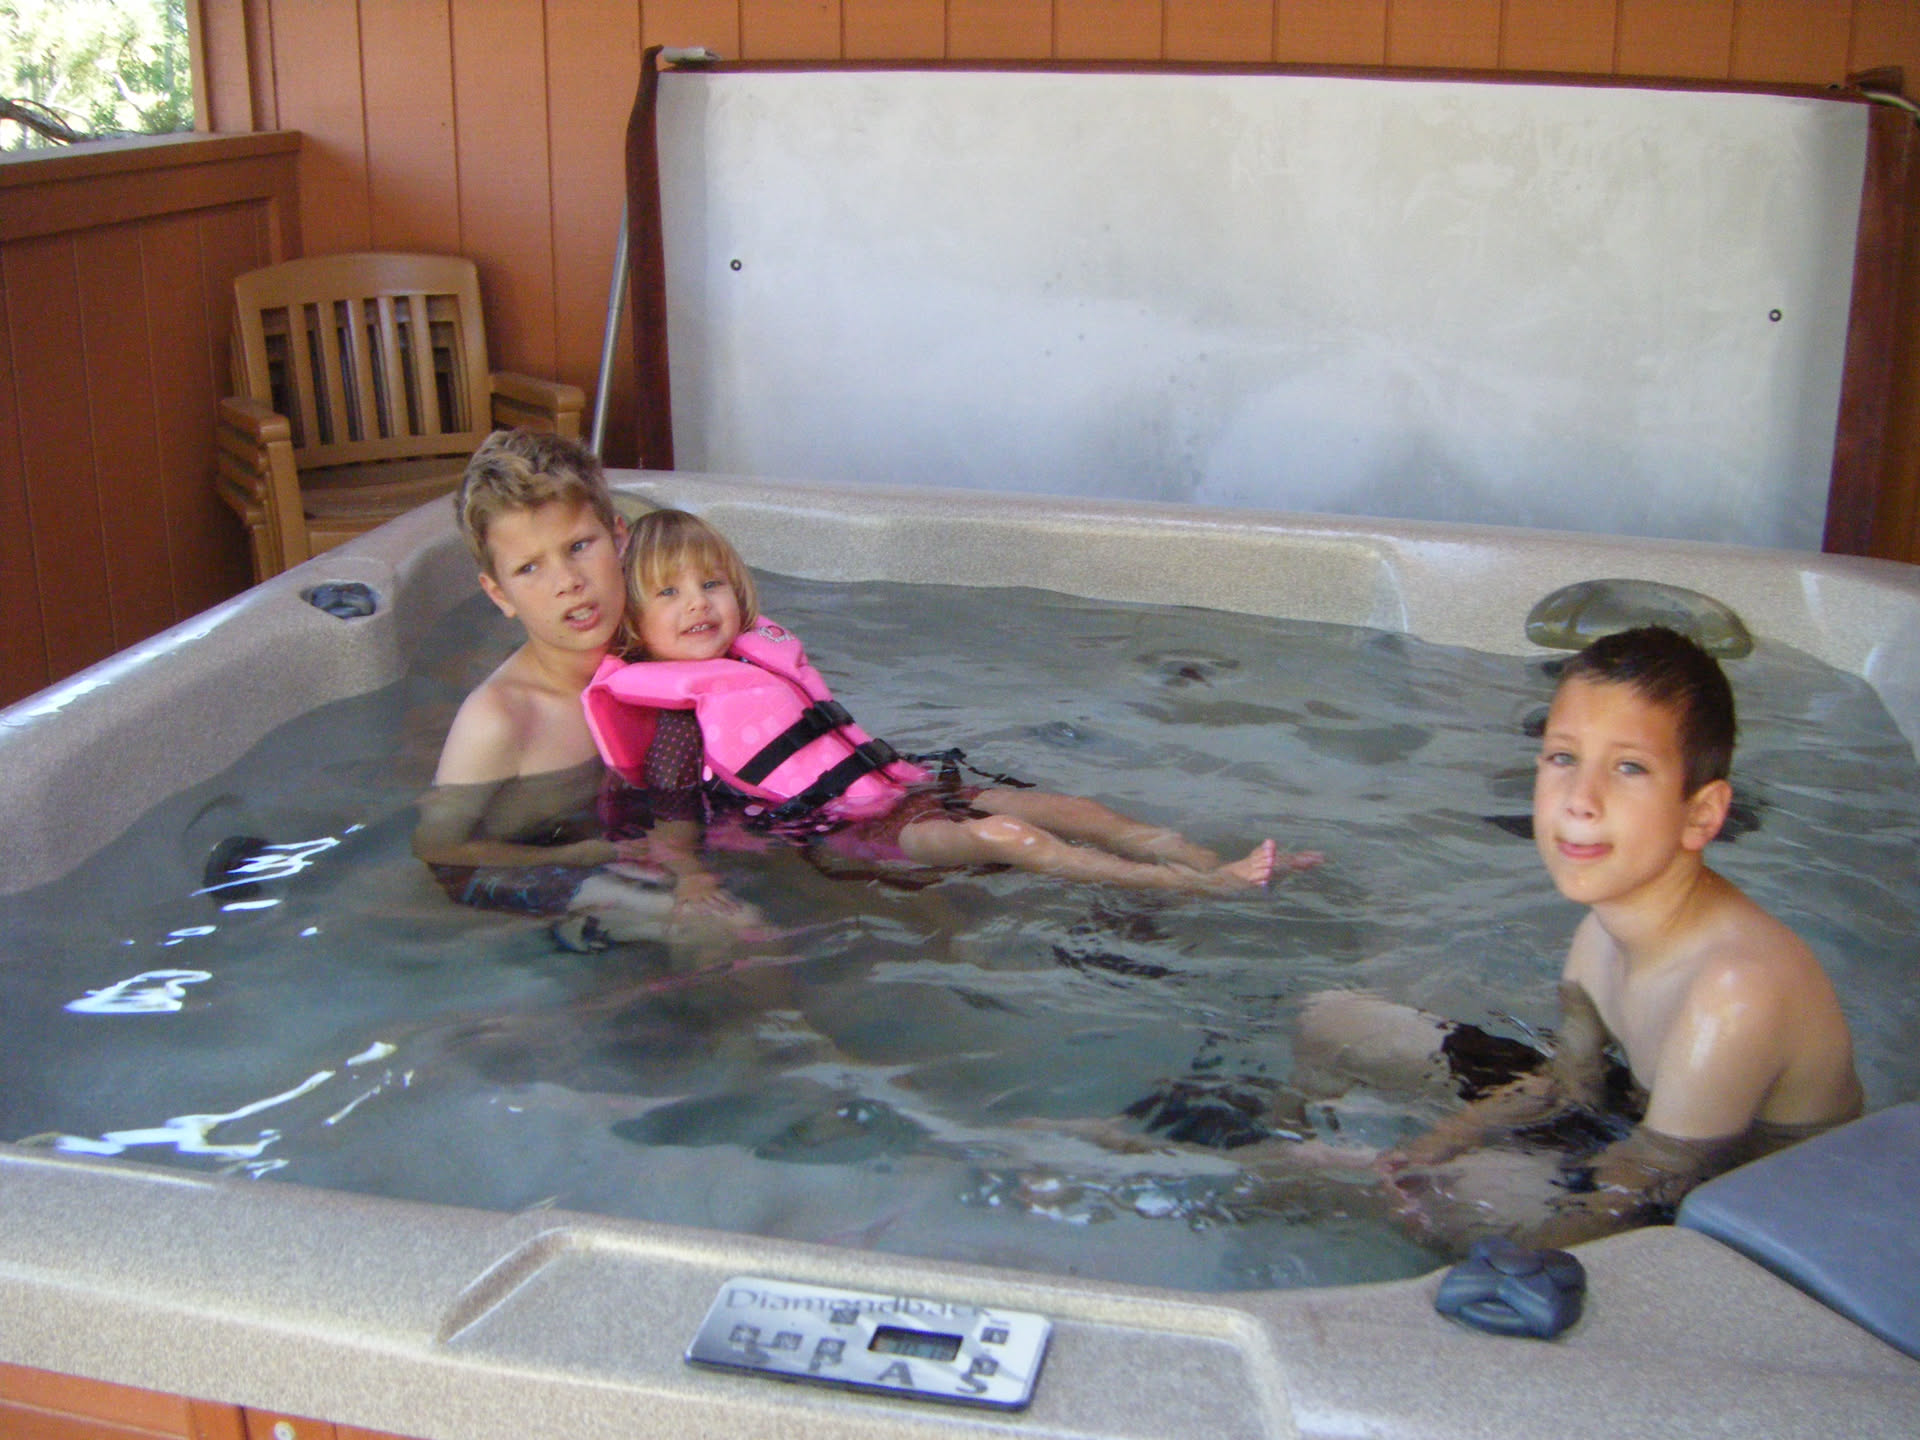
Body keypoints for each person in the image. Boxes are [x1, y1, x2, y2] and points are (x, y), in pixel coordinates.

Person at [1029, 626, 1864, 1253]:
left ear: (1703, 814)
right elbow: (1566, 1087)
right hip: (1623, 1124)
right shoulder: (1602, 930)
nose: (1580, 799)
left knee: (1442, 1193)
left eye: (1629, 768)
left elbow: (1640, 1189)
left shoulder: (1732, 993)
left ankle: (1218, 1181)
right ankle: (1274, 1148)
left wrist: (1420, 1185)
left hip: (1710, 1197)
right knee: (1331, 1018)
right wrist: (1429, 1144)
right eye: (1562, 758)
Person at [583, 508, 1322, 895]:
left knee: (1073, 809)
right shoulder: (677, 728)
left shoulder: (753, 659)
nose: (698, 603)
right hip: (852, 833)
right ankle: (1200, 888)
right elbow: (675, 823)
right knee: (1012, 838)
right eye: (669, 592)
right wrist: (690, 880)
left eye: (711, 584)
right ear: (635, 623)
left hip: (900, 791)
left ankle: (1207, 860)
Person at [412, 430, 740, 941]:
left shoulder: (663, 647)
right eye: (529, 568)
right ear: (499, 595)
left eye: (580, 546)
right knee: (728, 927)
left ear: (620, 539)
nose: (567, 581)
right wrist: (573, 855)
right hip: (543, 875)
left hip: (646, 843)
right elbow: (437, 849)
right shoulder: (501, 718)